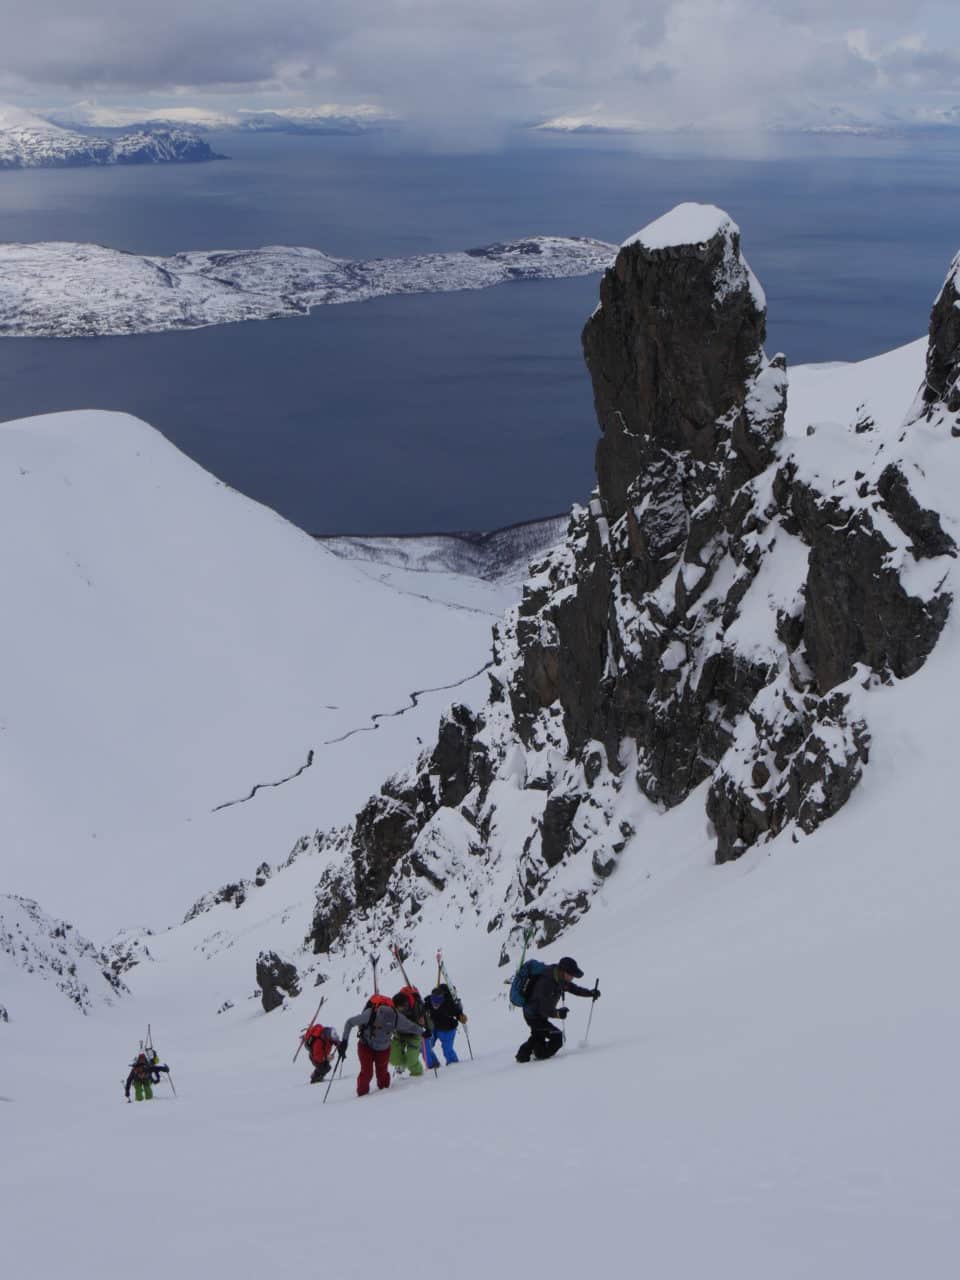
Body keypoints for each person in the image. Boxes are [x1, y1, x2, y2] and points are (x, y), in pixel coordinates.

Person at [516, 957, 599, 1063]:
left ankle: (525, 1054)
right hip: (534, 1015)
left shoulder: (559, 977)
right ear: (563, 971)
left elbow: (573, 989)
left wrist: (590, 993)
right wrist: (558, 1014)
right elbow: (543, 1009)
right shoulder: (546, 982)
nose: (572, 977)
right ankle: (533, 1054)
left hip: (537, 1014)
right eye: (571, 975)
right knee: (557, 1037)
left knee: (538, 1035)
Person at [341, 995, 425, 1097]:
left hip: (383, 1048)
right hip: (366, 1045)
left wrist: (423, 1032)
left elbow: (411, 1026)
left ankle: (384, 1096)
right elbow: (350, 1022)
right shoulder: (370, 1014)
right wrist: (344, 1041)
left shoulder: (397, 1017)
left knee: (382, 1074)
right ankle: (362, 1096)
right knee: (367, 1073)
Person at [390, 987, 430, 1077]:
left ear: (406, 1005)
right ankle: (403, 1064)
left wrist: (427, 1029)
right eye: (397, 1009)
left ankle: (418, 1076)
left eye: (400, 1009)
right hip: (399, 1034)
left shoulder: (417, 1006)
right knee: (393, 1058)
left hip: (414, 1035)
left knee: (412, 1061)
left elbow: (426, 1018)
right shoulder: (394, 1007)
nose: (399, 1011)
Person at [425, 983, 467, 1067]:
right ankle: (433, 1065)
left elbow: (458, 1014)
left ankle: (453, 1065)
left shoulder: (449, 1005)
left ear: (442, 1000)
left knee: (447, 1049)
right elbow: (422, 1010)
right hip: (434, 1027)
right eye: (434, 1002)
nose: (435, 1005)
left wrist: (461, 1017)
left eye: (437, 1003)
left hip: (447, 1029)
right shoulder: (428, 1002)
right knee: (426, 1046)